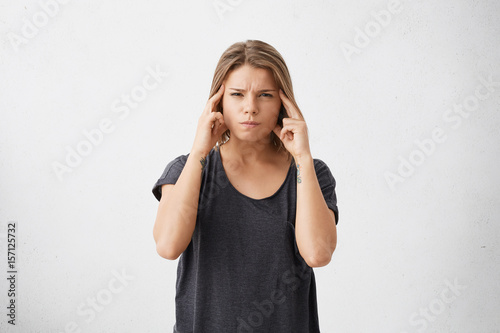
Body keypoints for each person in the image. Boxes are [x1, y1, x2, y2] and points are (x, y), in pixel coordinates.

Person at [152, 40, 339, 333]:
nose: (250, 108)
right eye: (237, 94)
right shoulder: (187, 169)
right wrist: (200, 151)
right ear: (218, 102)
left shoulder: (311, 173)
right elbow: (167, 246)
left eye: (265, 95)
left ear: (283, 103)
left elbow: (317, 254)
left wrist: (302, 157)